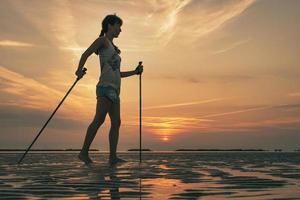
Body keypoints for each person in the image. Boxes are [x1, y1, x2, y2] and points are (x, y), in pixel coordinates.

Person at [75, 14, 143, 165]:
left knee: (116, 122)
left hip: (115, 90)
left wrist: (135, 71)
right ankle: (83, 153)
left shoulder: (114, 48)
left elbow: (117, 72)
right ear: (110, 25)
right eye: (119, 26)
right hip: (105, 88)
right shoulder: (102, 41)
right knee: (99, 119)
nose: (120, 30)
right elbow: (85, 53)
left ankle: (112, 157)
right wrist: (79, 70)